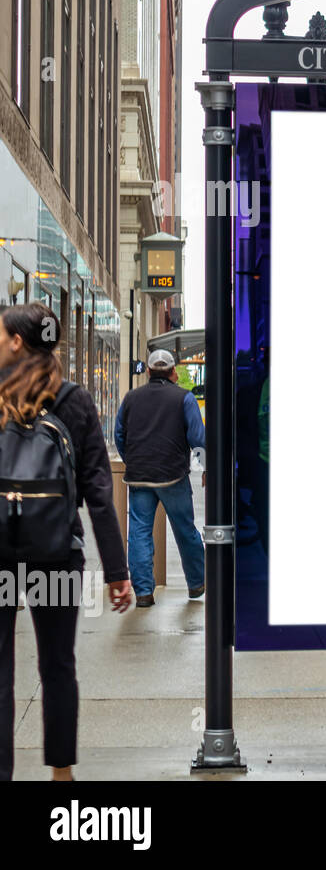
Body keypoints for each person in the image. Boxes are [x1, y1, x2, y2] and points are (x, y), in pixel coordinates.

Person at [0, 303, 132, 782]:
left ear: (17, 342)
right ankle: (61, 774)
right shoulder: (74, 400)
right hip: (56, 555)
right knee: (57, 664)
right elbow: (99, 492)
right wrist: (118, 573)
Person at [114, 349, 206, 607]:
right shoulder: (184, 398)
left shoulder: (131, 398)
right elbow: (198, 438)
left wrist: (132, 460)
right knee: (185, 529)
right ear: (173, 372)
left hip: (140, 477)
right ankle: (196, 584)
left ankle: (143, 593)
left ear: (149, 372)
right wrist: (207, 466)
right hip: (173, 475)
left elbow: (119, 435)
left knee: (140, 532)